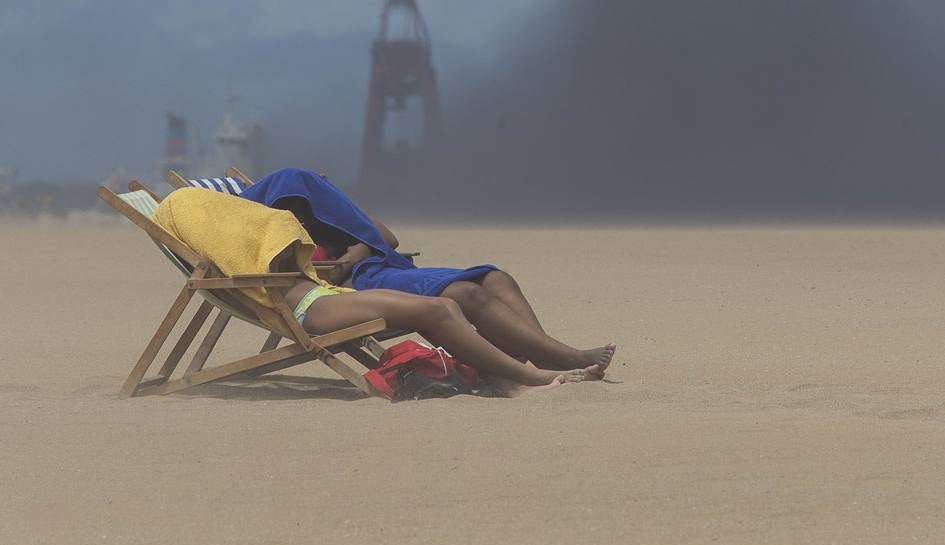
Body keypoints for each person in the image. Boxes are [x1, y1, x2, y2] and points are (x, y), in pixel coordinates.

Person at [152, 186, 605, 392]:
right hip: (311, 304)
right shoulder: (243, 242)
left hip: (324, 298)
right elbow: (271, 261)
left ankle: (520, 373)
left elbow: (377, 236)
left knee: (445, 306)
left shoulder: (260, 234)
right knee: (443, 309)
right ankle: (531, 376)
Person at [241, 168, 616, 374]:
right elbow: (317, 276)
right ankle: (562, 357)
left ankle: (545, 353)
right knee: (463, 293)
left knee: (495, 277)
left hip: (376, 269)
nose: (304, 209)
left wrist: (345, 219)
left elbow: (386, 237)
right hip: (358, 288)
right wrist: (347, 261)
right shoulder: (279, 235)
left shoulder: (326, 220)